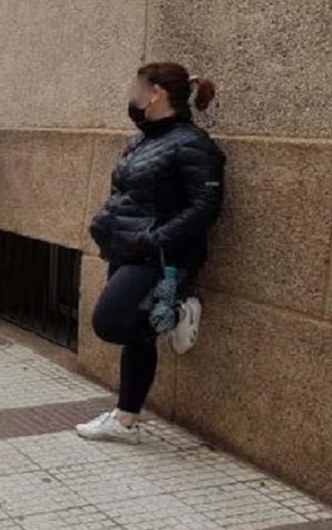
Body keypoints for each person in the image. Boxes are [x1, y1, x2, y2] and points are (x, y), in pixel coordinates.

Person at [77, 63, 224, 444]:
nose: (133, 94)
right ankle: (125, 419)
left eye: (138, 87)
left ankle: (175, 312)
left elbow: (206, 206)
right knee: (135, 338)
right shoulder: (145, 138)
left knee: (109, 322)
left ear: (156, 92)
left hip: (159, 255)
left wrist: (156, 239)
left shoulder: (194, 144)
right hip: (128, 246)